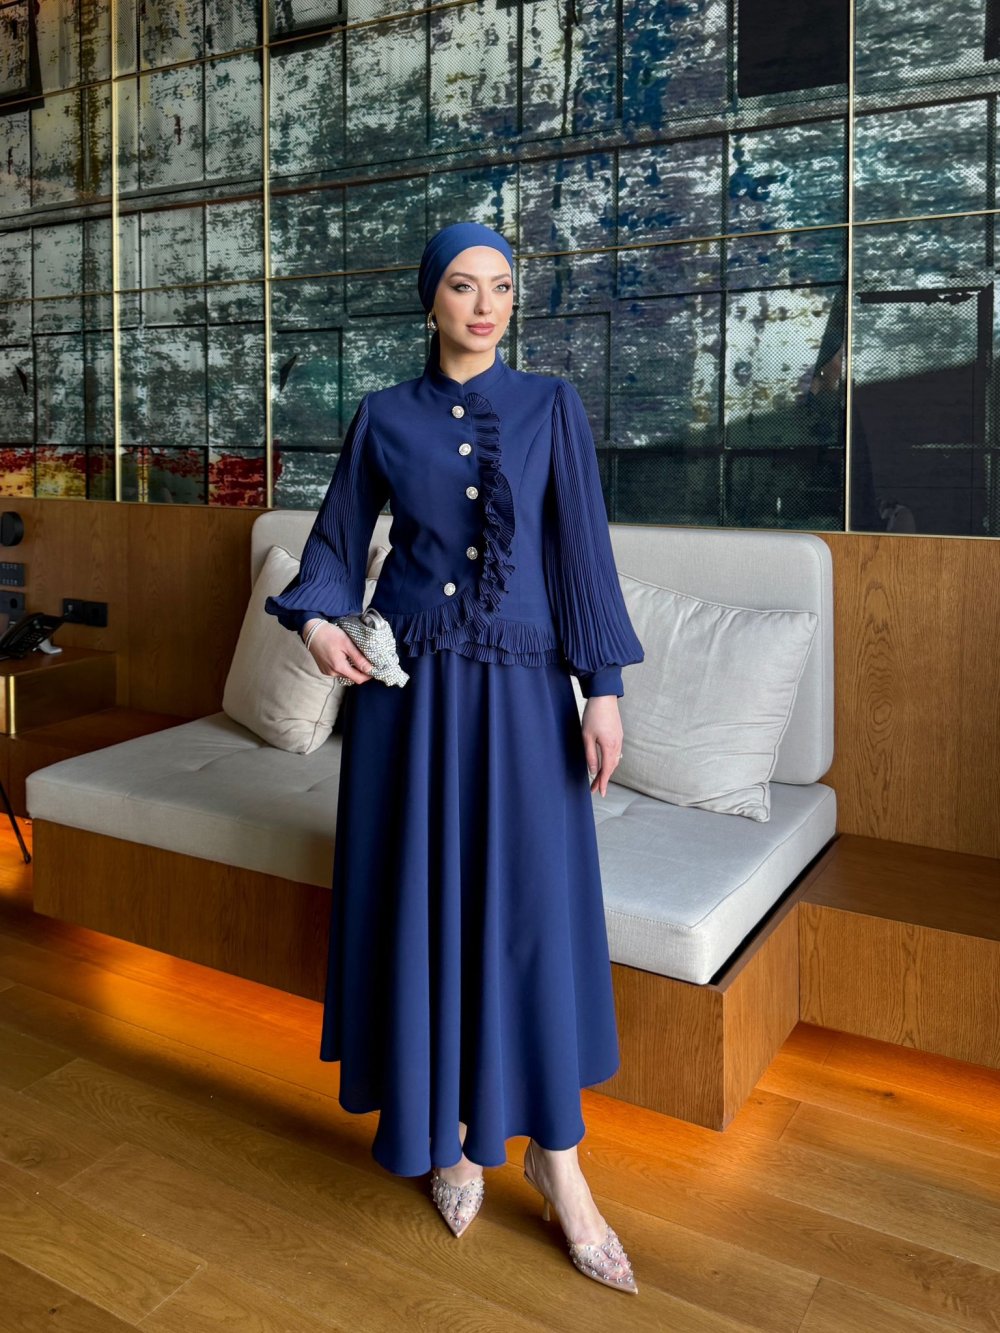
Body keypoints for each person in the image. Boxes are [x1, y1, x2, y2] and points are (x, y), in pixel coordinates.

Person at [264, 221, 644, 1295]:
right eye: (465, 286)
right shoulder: (383, 414)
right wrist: (315, 625)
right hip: (412, 701)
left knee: (529, 913)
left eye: (502, 286)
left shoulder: (552, 406)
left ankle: (558, 1161)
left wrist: (603, 690)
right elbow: (337, 542)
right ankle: (447, 1138)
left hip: (523, 697)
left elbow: (581, 554)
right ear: (430, 300)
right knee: (423, 906)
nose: (485, 305)